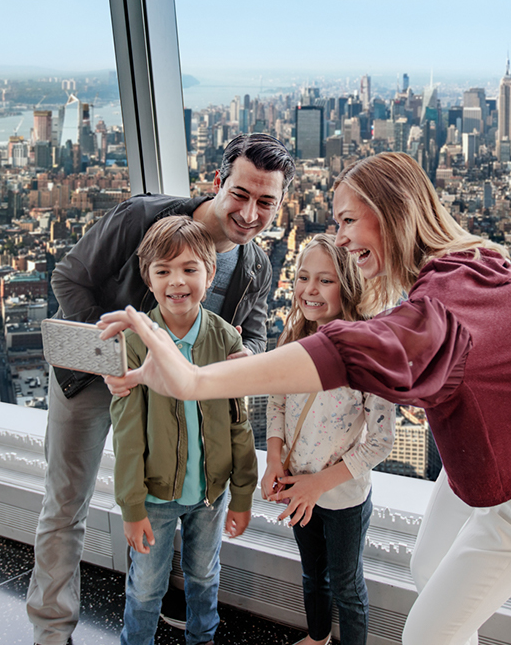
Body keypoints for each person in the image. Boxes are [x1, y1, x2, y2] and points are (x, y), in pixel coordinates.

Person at [99, 151, 511, 645]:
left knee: (426, 633)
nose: (341, 237)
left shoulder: (443, 305)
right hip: (490, 458)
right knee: (429, 571)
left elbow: (351, 350)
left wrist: (193, 382)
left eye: (349, 220)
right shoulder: (471, 260)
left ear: (393, 212)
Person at [27, 133, 294, 645]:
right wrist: (123, 349)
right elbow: (69, 279)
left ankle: (156, 602)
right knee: (65, 506)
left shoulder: (254, 264)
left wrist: (249, 356)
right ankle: (51, 633)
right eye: (240, 194)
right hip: (91, 378)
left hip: (168, 401)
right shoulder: (141, 218)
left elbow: (256, 334)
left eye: (266, 202)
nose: (250, 213)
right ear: (218, 183)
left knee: (172, 497)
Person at [111, 215, 257, 645]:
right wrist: (131, 505)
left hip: (211, 494)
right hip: (153, 496)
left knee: (204, 574)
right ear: (149, 281)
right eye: (164, 271)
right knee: (145, 585)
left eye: (190, 269)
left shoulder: (227, 338)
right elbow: (126, 433)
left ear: (210, 275)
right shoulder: (136, 343)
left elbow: (238, 423)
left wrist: (242, 494)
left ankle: (203, 638)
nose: (178, 281)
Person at [261, 234, 395, 645]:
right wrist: (273, 459)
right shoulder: (294, 341)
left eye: (325, 280)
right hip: (297, 484)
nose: (309, 290)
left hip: (341, 498)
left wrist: (318, 484)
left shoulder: (370, 356)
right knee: (311, 574)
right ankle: (317, 638)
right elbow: (277, 402)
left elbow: (381, 442)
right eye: (303, 277)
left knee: (346, 586)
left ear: (349, 286)